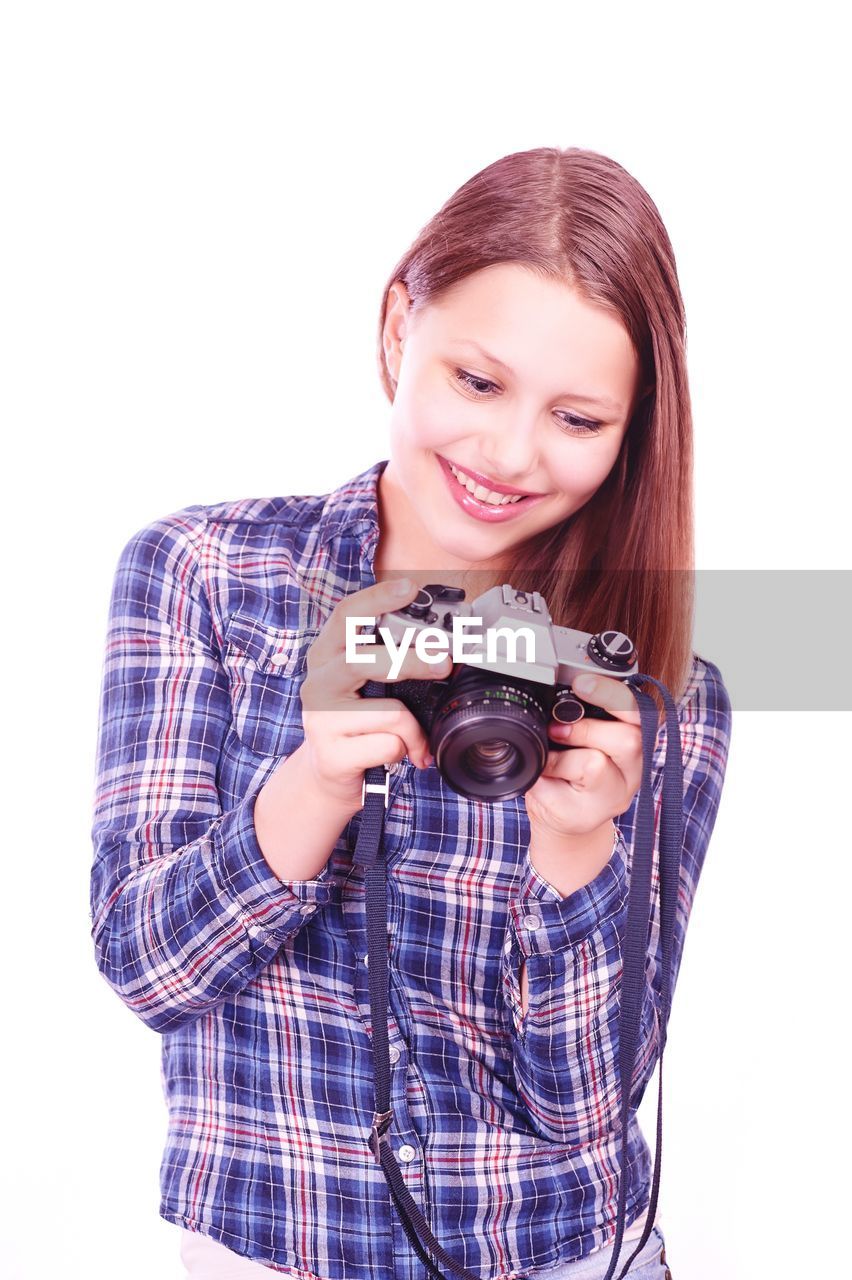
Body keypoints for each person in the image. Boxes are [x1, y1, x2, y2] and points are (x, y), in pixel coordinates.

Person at [89, 146, 732, 1280]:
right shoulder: (206, 574)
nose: (508, 453)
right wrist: (311, 785)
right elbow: (149, 967)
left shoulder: (651, 682)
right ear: (400, 330)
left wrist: (579, 847)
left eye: (578, 417)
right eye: (476, 382)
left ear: (632, 432)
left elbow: (589, 1104)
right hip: (273, 1252)